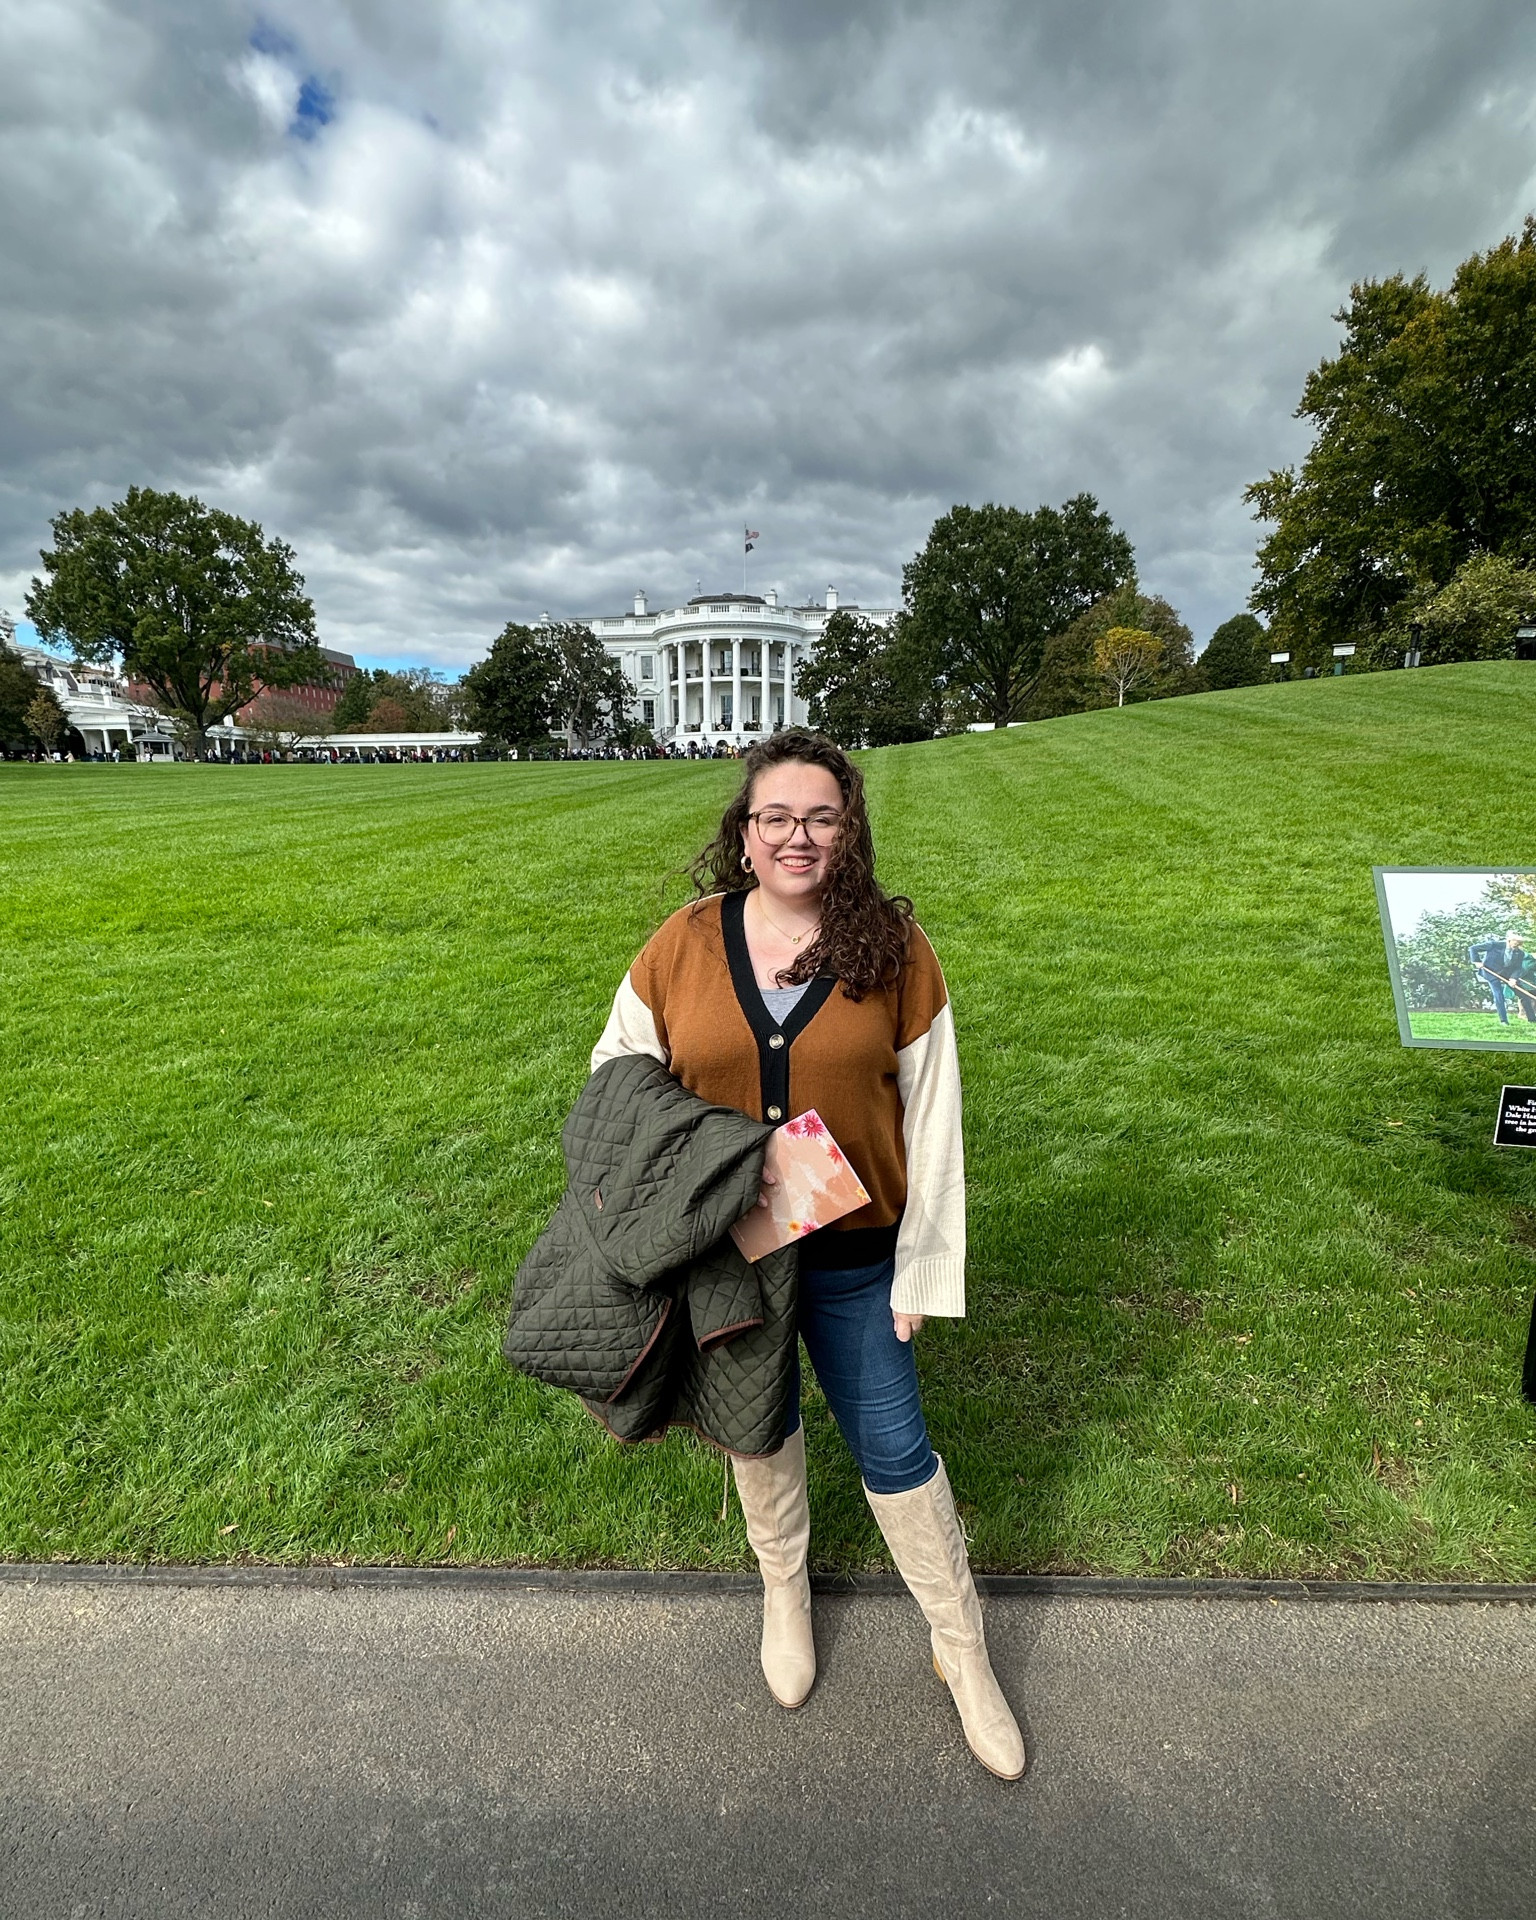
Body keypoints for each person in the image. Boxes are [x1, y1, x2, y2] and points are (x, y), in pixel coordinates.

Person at [590, 727, 1025, 1779]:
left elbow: (935, 1115)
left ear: (850, 829)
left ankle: (960, 1649)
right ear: (742, 834)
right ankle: (784, 1589)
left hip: (855, 1257)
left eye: (821, 817)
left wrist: (925, 1261)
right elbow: (615, 1080)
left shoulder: (896, 946)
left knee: (895, 1448)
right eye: (775, 817)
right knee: (758, 1425)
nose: (798, 835)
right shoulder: (681, 945)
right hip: (733, 1259)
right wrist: (707, 1167)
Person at [1469, 932, 1536, 1024]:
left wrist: (1513, 978)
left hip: (1507, 973)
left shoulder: (1519, 953)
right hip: (1491, 972)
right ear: (1509, 940)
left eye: (1519, 943)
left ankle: (1532, 1019)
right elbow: (1473, 948)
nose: (1517, 945)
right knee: (1499, 995)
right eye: (1516, 943)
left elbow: (1518, 968)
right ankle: (1504, 1021)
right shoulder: (1494, 945)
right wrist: (1477, 961)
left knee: (1524, 994)